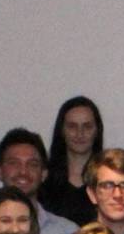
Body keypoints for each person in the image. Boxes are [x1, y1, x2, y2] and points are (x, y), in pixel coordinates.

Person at [0, 128, 78, 234]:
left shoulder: (68, 233)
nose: (23, 172)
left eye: (32, 164)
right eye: (14, 163)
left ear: (44, 174)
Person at [40, 95, 104, 225]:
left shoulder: (108, 181)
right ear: (62, 131)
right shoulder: (44, 180)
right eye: (72, 126)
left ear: (97, 131)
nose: (80, 133)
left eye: (87, 126)